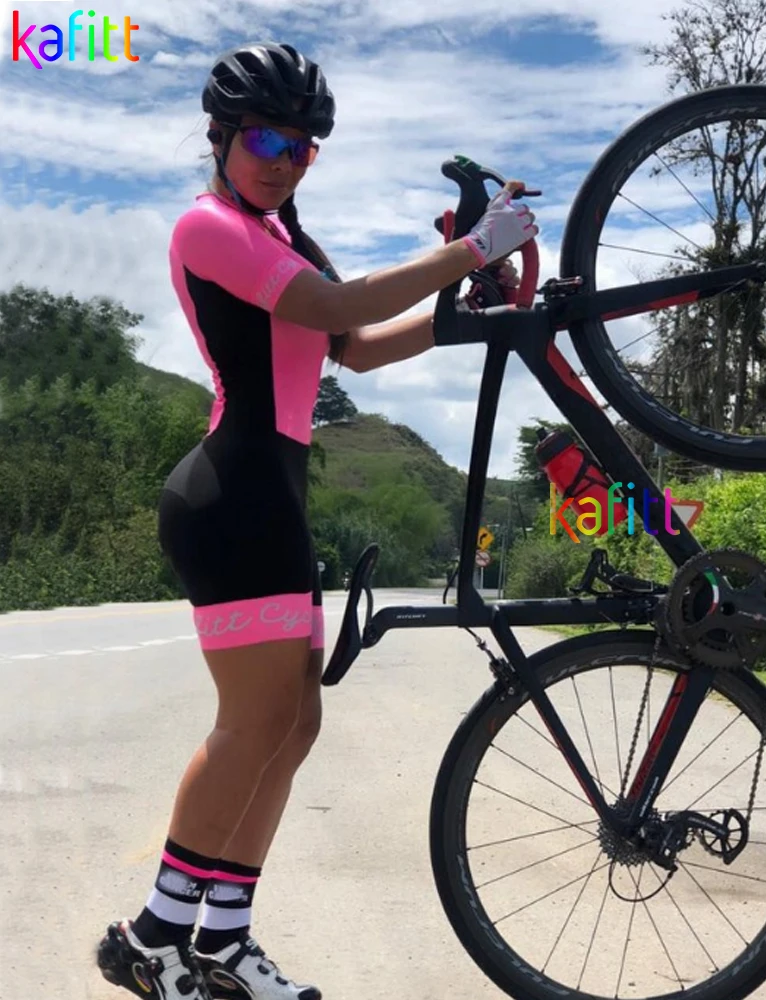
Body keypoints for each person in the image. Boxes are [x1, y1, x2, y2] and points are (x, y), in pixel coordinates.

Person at [95, 41, 538, 1000]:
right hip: (232, 497)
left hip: (275, 498)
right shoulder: (209, 227)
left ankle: (221, 941)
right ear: (221, 135)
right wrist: (472, 249)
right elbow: (338, 303)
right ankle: (151, 937)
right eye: (264, 138)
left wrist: (471, 314)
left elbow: (358, 345)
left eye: (301, 147)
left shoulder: (282, 238)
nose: (283, 159)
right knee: (252, 724)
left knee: (293, 726)